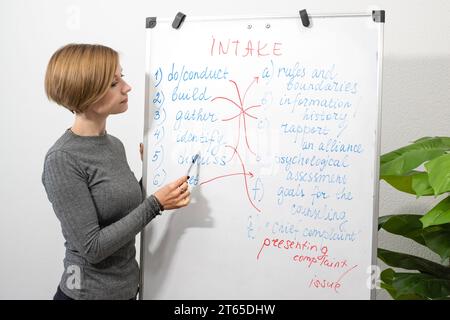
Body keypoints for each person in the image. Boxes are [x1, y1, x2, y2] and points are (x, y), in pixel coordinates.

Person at [42, 44, 190, 300]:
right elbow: (93, 248)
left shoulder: (114, 145)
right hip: (86, 295)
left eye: (122, 77)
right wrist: (156, 204)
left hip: (126, 292)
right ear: (86, 92)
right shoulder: (62, 160)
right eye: (113, 83)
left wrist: (150, 172)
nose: (126, 87)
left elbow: (123, 210)